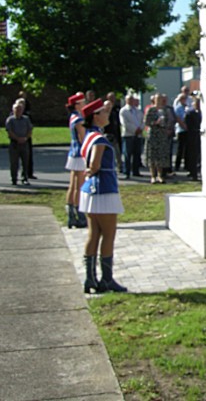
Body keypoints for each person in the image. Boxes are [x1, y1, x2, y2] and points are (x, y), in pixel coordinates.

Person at [78, 98, 127, 294]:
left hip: (91, 191)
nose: (107, 115)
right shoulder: (99, 139)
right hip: (103, 190)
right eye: (104, 112)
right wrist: (92, 170)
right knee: (108, 235)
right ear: (96, 117)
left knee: (93, 234)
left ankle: (90, 279)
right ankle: (106, 279)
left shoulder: (89, 135)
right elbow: (95, 164)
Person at [65, 92, 88, 228]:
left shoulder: (73, 117)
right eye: (83, 102)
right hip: (79, 154)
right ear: (77, 105)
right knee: (79, 185)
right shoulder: (78, 119)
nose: (84, 104)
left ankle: (70, 213)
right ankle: (79, 214)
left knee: (73, 185)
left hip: (73, 153)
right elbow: (82, 137)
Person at [144, 93, 171, 183]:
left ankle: (160, 175)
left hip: (162, 135)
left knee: (161, 156)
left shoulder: (164, 110)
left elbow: (168, 120)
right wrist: (155, 122)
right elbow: (146, 122)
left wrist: (166, 126)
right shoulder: (151, 109)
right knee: (152, 156)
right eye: (157, 99)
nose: (159, 101)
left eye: (161, 99)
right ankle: (153, 176)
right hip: (153, 134)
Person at [5, 101, 32, 186]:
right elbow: (9, 131)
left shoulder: (26, 119)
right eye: (16, 109)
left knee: (25, 162)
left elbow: (30, 130)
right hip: (14, 144)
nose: (18, 111)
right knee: (14, 162)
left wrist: (25, 138)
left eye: (20, 109)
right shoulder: (10, 120)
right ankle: (14, 178)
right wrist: (17, 138)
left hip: (24, 143)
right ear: (13, 110)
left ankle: (25, 178)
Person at [119, 92, 143, 179]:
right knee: (127, 154)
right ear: (126, 100)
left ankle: (136, 171)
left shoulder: (138, 111)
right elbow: (125, 123)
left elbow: (142, 121)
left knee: (137, 153)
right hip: (128, 135)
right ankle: (127, 172)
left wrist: (140, 128)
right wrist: (135, 130)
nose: (131, 101)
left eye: (132, 100)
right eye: (129, 100)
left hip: (138, 135)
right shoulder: (123, 111)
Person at [104, 92, 123, 173]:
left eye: (113, 98)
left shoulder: (116, 110)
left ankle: (120, 167)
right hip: (107, 135)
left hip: (116, 134)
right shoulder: (104, 113)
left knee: (118, 152)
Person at [184, 96, 202, 181]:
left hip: (201, 137)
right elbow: (188, 126)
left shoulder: (203, 113)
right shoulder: (190, 113)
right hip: (193, 137)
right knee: (193, 156)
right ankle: (193, 174)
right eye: (196, 103)